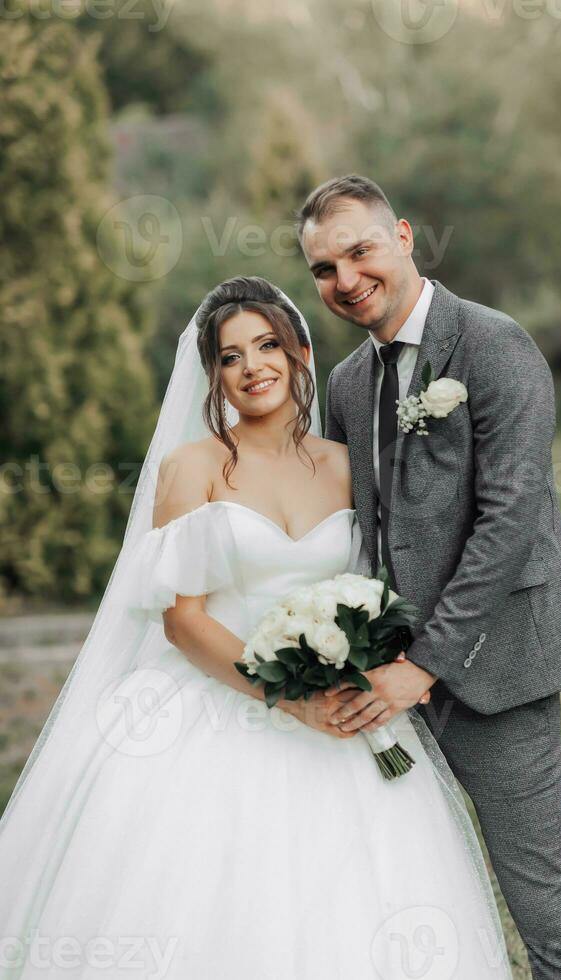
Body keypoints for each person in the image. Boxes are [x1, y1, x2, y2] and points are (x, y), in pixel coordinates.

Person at [0, 276, 512, 979]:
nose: (252, 368)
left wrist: (366, 663)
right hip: (216, 699)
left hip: (340, 701)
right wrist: (291, 699)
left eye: (267, 345)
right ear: (212, 374)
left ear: (301, 352)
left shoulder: (345, 465)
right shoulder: (194, 469)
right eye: (231, 356)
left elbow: (379, 577)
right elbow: (183, 621)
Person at [297, 174, 561, 980]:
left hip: (495, 667)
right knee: (396, 893)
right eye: (323, 270)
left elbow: (510, 522)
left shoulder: (493, 343)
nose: (345, 281)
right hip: (384, 681)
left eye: (358, 251)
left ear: (403, 236)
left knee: (543, 903)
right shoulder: (347, 384)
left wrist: (424, 666)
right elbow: (354, 532)